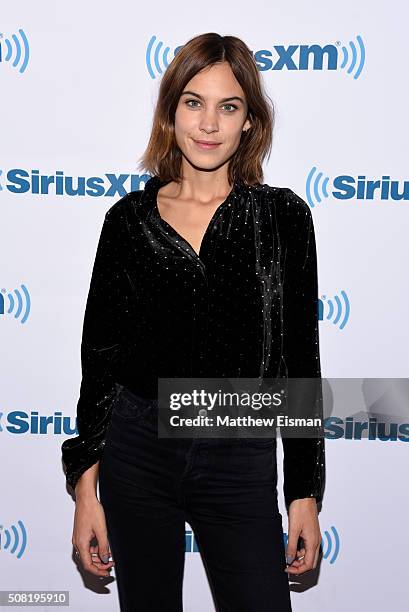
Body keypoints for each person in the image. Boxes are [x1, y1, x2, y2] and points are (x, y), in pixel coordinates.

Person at [61, 32, 325, 612]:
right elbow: (99, 360)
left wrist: (303, 492)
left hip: (239, 451)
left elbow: (297, 361)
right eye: (193, 102)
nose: (209, 124)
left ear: (250, 122)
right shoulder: (128, 221)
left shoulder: (282, 216)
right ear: (170, 111)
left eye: (228, 106)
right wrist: (86, 490)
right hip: (139, 453)